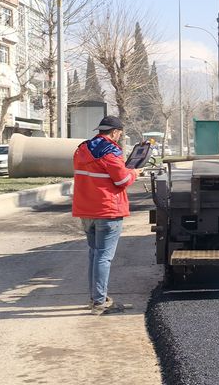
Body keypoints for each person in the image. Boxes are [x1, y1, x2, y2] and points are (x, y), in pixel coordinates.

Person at [72, 115, 141, 315]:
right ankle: (100, 302)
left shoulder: (81, 149)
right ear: (115, 132)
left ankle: (95, 298)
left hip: (87, 211)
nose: (118, 137)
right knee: (104, 257)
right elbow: (122, 180)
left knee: (94, 254)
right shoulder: (111, 152)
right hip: (108, 211)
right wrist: (135, 172)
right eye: (119, 133)